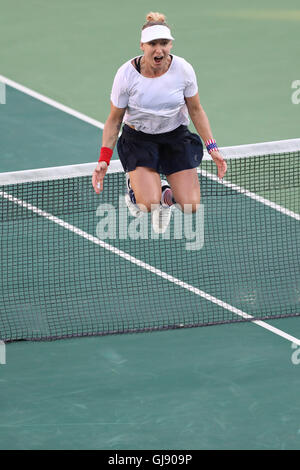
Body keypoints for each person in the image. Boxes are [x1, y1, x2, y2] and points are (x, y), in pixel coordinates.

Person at [92, 11, 227, 233]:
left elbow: (196, 110)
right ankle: (135, 189)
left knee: (191, 206)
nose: (159, 49)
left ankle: (166, 199)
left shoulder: (183, 69)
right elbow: (114, 120)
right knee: (147, 205)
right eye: (152, 43)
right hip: (139, 140)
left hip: (175, 137)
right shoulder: (126, 75)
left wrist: (212, 148)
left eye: (164, 43)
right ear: (142, 45)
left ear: (170, 45)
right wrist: (104, 159)